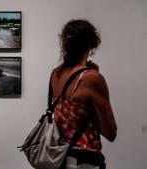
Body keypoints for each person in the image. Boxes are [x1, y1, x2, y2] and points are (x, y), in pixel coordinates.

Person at [50, 19, 117, 169]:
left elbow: (69, 118)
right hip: (84, 161)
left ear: (64, 44)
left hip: (59, 158)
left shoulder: (55, 74)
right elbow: (110, 133)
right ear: (91, 45)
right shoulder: (92, 78)